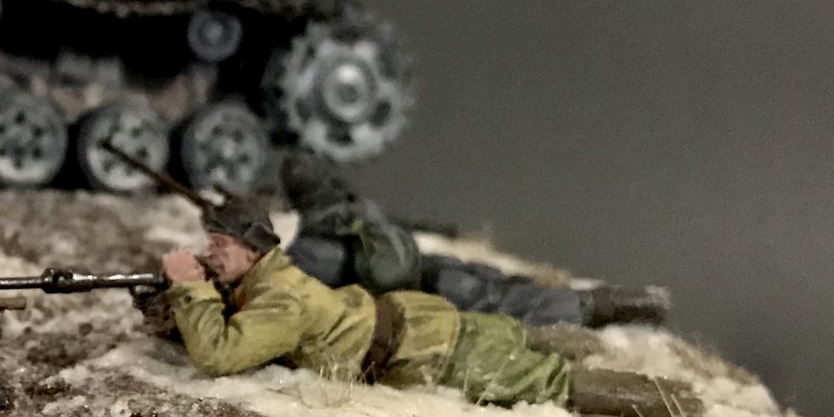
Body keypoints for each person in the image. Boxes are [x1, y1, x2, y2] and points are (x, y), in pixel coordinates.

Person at [160, 199, 704, 417]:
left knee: (545, 383)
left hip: (423, 349)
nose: (211, 254)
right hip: (415, 323)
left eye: (221, 245)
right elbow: (238, 322)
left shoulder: (279, 300)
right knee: (501, 334)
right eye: (211, 244)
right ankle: (556, 338)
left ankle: (667, 402)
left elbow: (220, 356)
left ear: (252, 250)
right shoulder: (270, 279)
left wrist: (190, 289)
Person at [281, 152, 670, 328]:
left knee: (511, 310)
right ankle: (607, 302)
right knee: (507, 291)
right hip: (431, 269)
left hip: (412, 298)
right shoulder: (352, 207)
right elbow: (400, 229)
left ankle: (596, 309)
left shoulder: (307, 245)